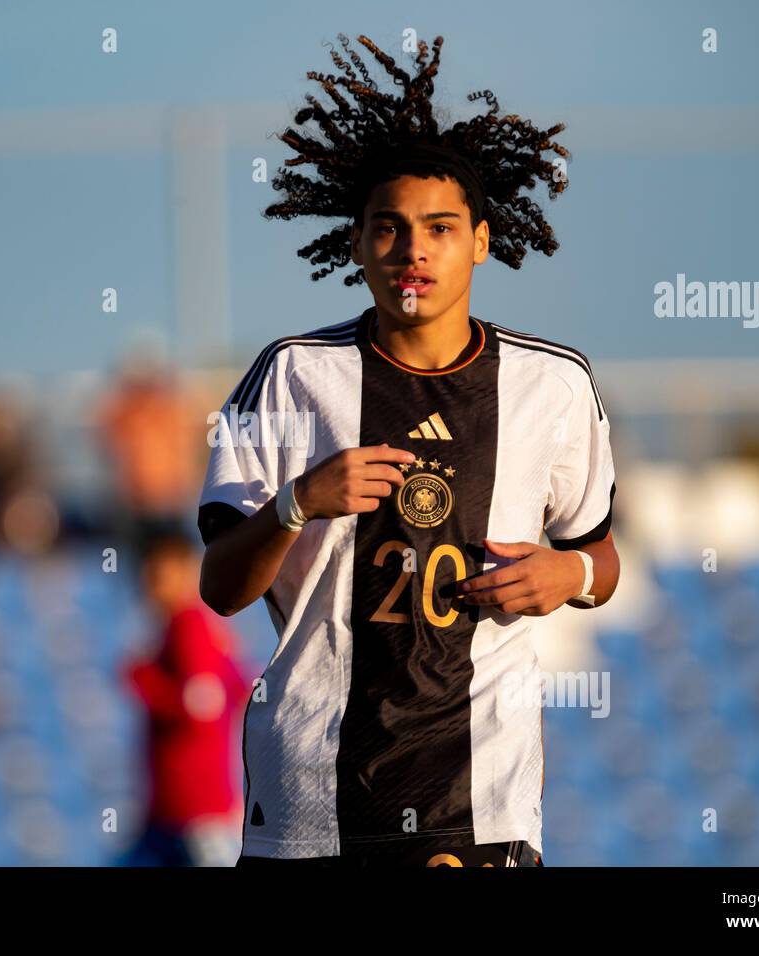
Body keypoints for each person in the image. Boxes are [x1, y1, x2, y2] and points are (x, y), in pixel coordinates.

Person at [197, 33, 620, 868]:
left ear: (483, 241)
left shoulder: (553, 384)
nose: (413, 251)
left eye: (439, 228)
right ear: (357, 245)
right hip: (312, 788)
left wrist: (567, 577)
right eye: (388, 230)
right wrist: (297, 503)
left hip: (483, 792)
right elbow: (218, 588)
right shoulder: (292, 374)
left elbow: (600, 557)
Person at [122, 529, 251, 866]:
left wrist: (144, 680)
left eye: (159, 572)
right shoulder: (198, 628)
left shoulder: (189, 624)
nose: (150, 582)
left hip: (196, 817)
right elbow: (242, 691)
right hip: (173, 814)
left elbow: (203, 709)